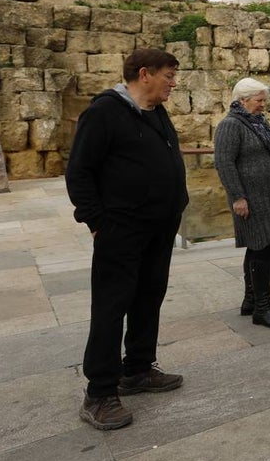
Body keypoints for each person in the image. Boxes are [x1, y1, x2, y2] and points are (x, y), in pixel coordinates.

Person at [66, 48, 188, 430]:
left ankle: (137, 368)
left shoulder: (156, 113)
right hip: (121, 229)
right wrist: (97, 222)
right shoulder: (104, 112)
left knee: (149, 297)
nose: (173, 82)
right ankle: (100, 392)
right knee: (111, 307)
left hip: (159, 227)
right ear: (144, 73)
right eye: (168, 75)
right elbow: (79, 172)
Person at [213, 78, 270, 329]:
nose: (262, 105)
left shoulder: (257, 123)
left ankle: (251, 301)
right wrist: (238, 197)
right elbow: (224, 163)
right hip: (252, 199)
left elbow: (268, 151)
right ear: (243, 100)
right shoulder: (230, 125)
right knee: (262, 249)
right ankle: (262, 308)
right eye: (259, 100)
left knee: (261, 247)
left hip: (268, 197)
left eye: (263, 100)